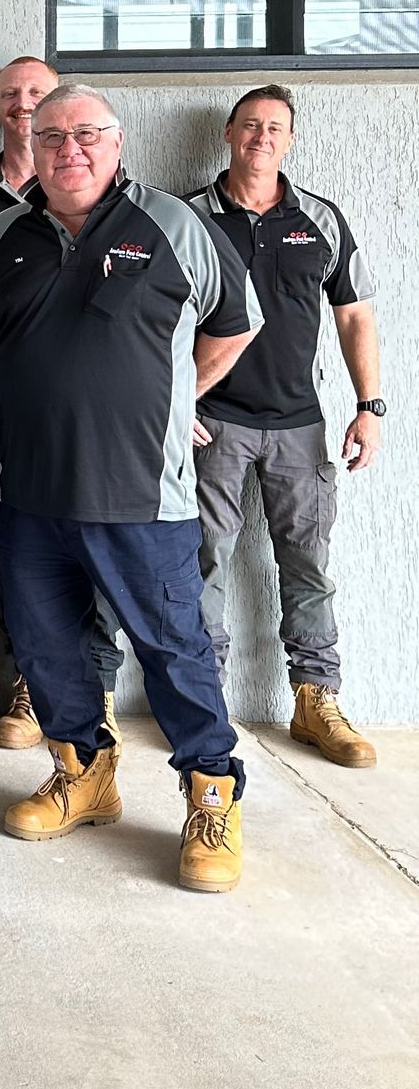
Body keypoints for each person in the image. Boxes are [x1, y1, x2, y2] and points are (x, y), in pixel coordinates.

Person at [0, 84, 262, 892]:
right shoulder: (0, 238)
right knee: (46, 646)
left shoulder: (173, 225)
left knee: (173, 651)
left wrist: (178, 404)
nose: (71, 149)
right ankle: (84, 774)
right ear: (32, 140)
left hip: (144, 497)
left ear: (117, 140)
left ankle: (212, 795)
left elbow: (236, 325)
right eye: (53, 134)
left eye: (87, 133)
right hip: (30, 493)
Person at [185, 85, 382, 768]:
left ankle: (315, 698)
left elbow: (354, 315)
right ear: (228, 133)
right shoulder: (189, 218)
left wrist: (370, 406)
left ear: (290, 140)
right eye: (249, 125)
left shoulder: (320, 219)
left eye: (274, 128)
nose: (261, 137)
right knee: (202, 561)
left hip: (301, 426)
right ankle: (203, 699)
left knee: (307, 566)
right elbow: (152, 321)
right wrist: (174, 404)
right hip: (212, 423)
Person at [0, 52, 122, 746]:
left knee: (100, 548)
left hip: (92, 423)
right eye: (11, 94)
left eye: (38, 94)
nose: (25, 104)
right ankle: (32, 683)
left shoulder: (118, 201)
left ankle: (99, 686)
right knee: (12, 554)